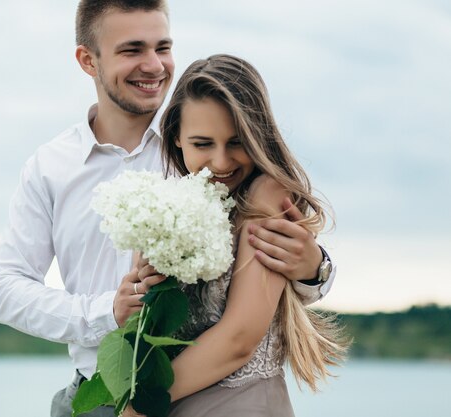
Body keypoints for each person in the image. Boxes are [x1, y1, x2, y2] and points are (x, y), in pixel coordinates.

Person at [0, 2, 336, 416]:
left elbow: (267, 269)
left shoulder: (201, 142)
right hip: (95, 393)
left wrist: (316, 269)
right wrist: (106, 312)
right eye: (132, 50)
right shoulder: (50, 167)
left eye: (162, 47)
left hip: (197, 396)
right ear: (88, 60)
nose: (153, 66)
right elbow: (5, 290)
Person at [122, 54, 348, 417]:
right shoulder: (168, 205)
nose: (222, 162)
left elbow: (239, 339)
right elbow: (153, 330)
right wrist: (129, 302)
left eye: (237, 142)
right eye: (203, 144)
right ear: (176, 137)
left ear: (259, 136)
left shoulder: (268, 195)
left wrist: (140, 405)